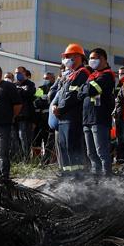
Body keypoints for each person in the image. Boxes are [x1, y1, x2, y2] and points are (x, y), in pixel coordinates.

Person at [50, 43, 91, 175]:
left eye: (68, 56)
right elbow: (60, 93)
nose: (66, 59)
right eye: (65, 56)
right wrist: (55, 105)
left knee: (72, 147)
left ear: (78, 57)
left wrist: (60, 108)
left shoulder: (82, 73)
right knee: (64, 147)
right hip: (64, 117)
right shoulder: (71, 75)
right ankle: (67, 174)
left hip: (72, 117)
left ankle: (78, 176)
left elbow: (73, 96)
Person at [82, 48, 116, 176]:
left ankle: (107, 180)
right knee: (91, 153)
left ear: (103, 59)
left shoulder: (107, 75)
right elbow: (81, 93)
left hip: (99, 119)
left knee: (101, 152)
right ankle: (96, 179)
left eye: (94, 58)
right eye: (90, 58)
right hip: (87, 118)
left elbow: (90, 91)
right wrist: (87, 87)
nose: (91, 61)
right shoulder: (93, 76)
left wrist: (87, 87)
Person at [12, 66, 37, 162]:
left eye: (19, 72)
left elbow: (29, 94)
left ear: (24, 73)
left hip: (25, 116)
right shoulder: (13, 85)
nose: (17, 74)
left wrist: (18, 90)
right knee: (14, 138)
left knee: (24, 138)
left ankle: (26, 159)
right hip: (14, 116)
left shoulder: (30, 84)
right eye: (15, 72)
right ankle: (17, 159)